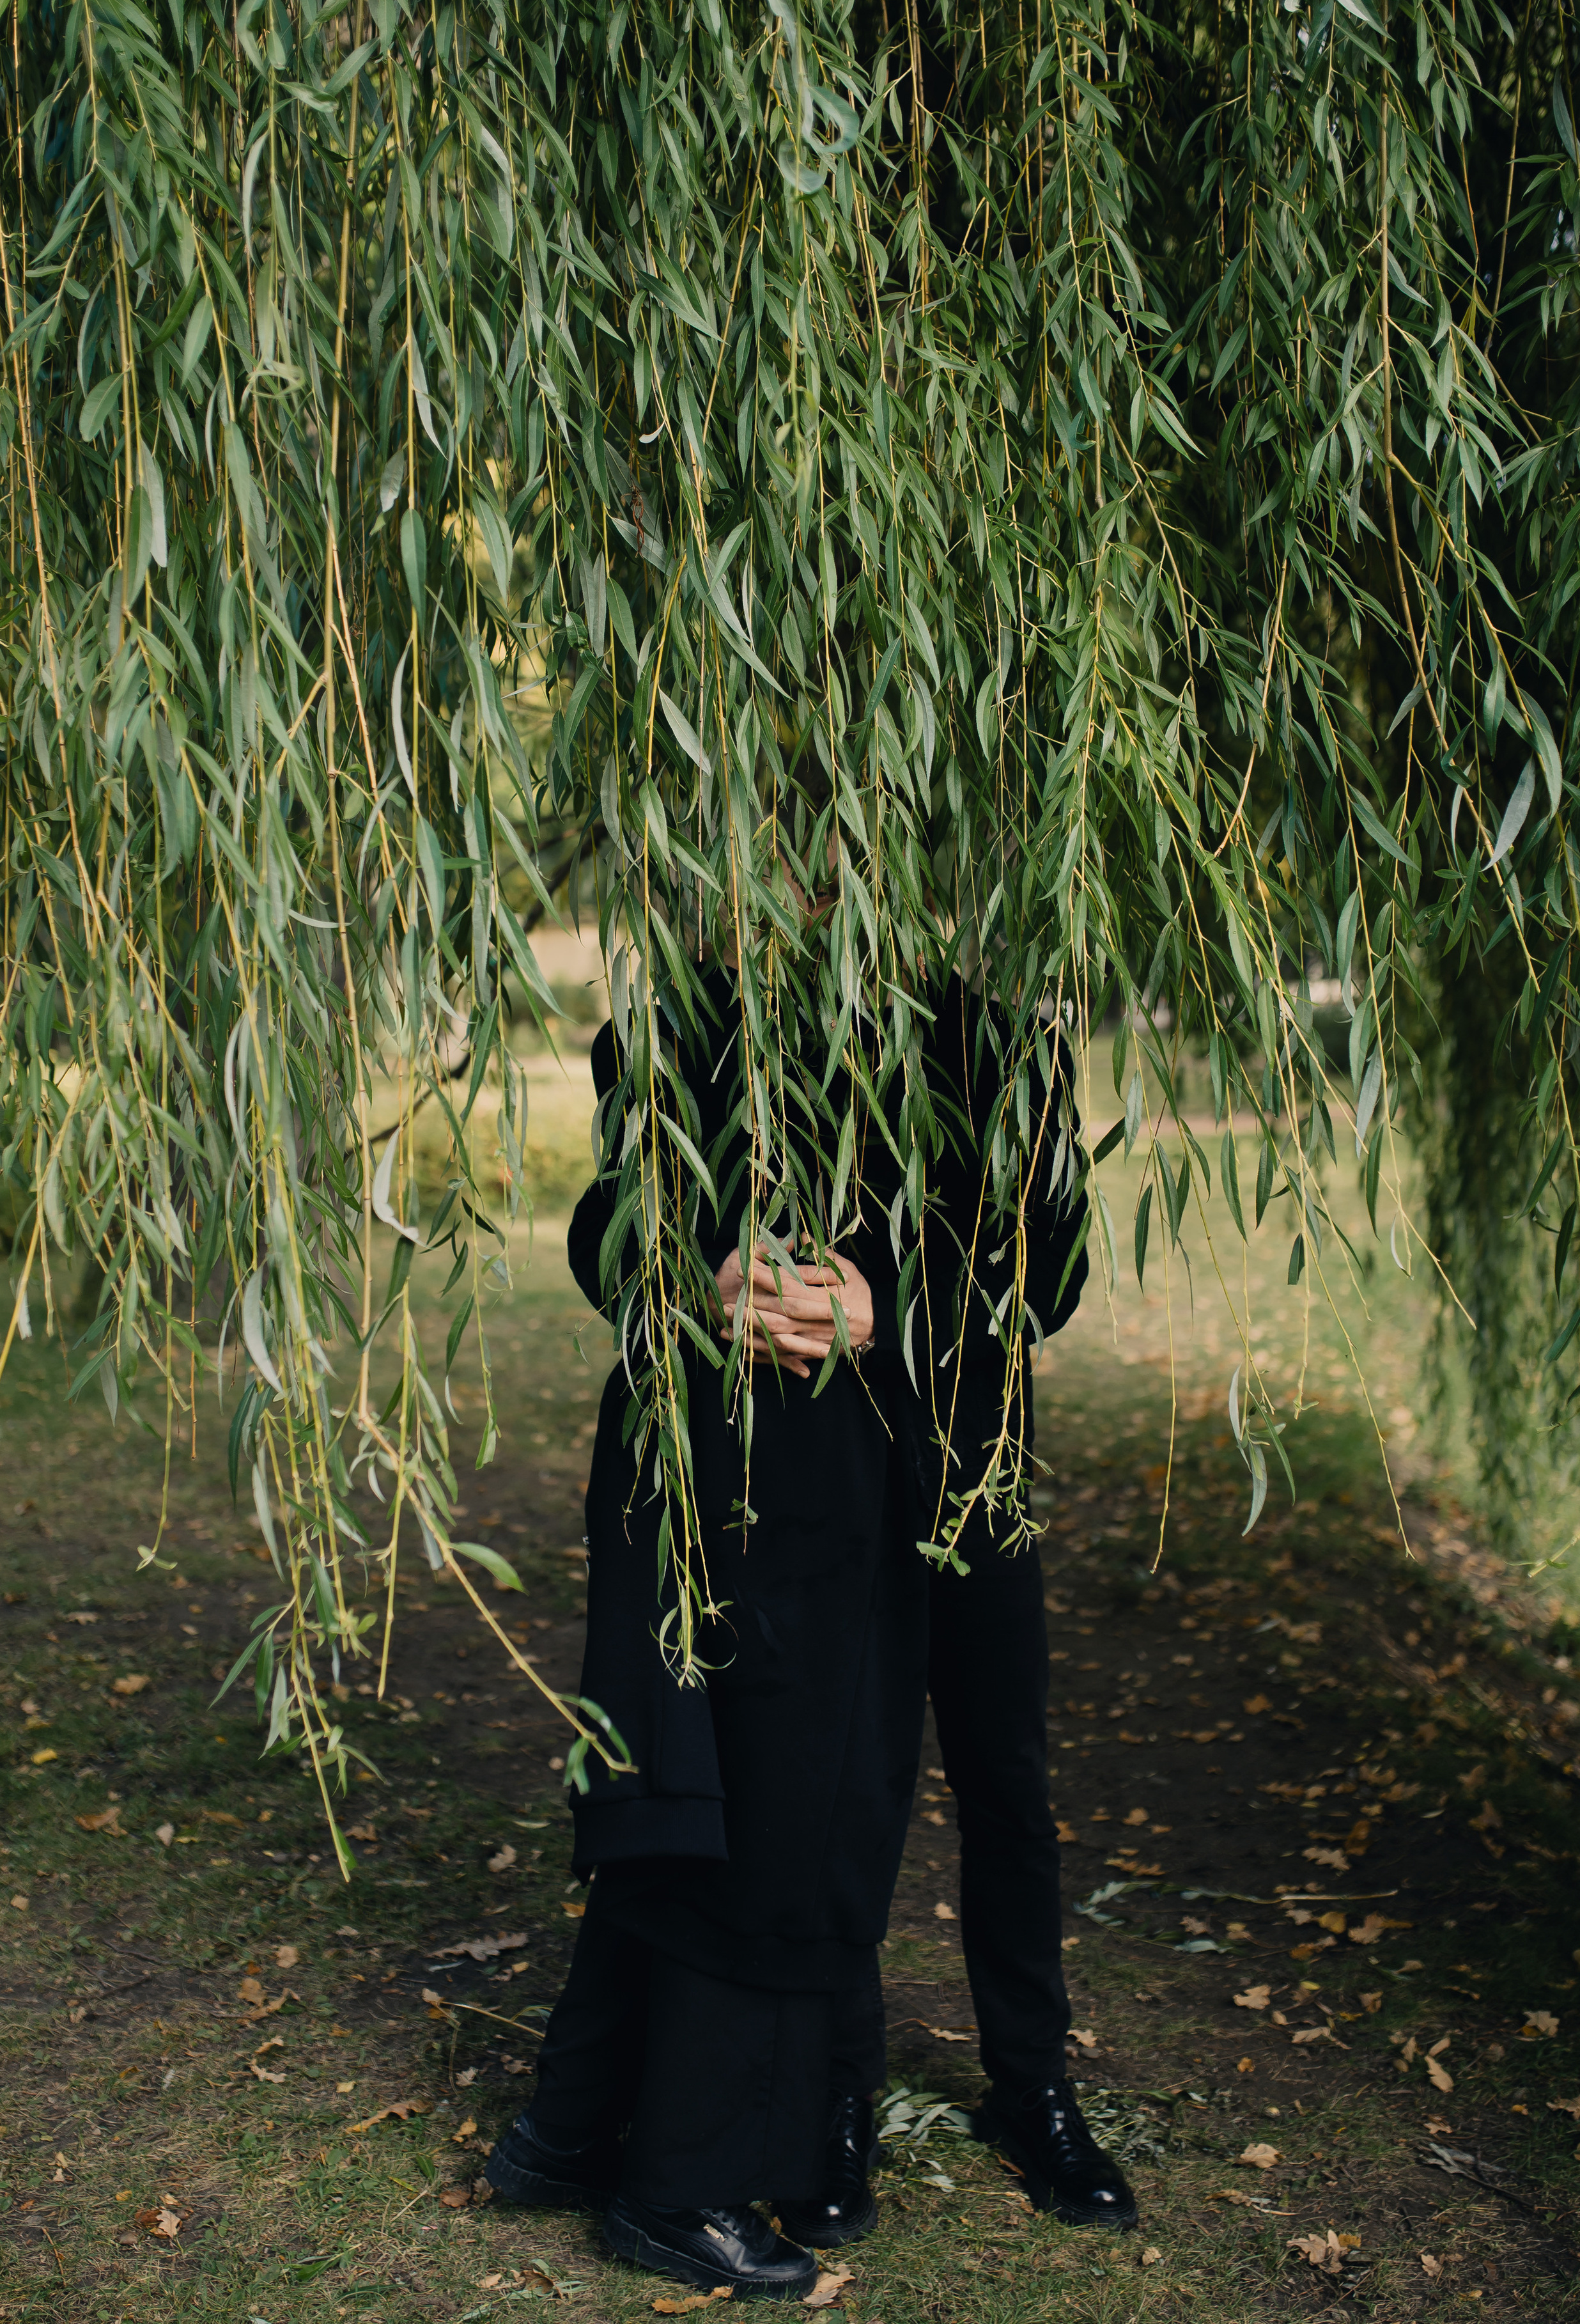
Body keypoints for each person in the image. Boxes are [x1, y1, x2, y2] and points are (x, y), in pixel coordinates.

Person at [484, 957, 1132, 2295]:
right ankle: (836, 2104)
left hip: (964, 1466)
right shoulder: (677, 1035)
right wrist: (694, 1280)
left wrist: (890, 1309)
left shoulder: (998, 1045)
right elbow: (609, 1232)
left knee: (1004, 1779)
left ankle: (1033, 2088)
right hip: (789, 1506)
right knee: (827, 1783)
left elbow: (1047, 1272)